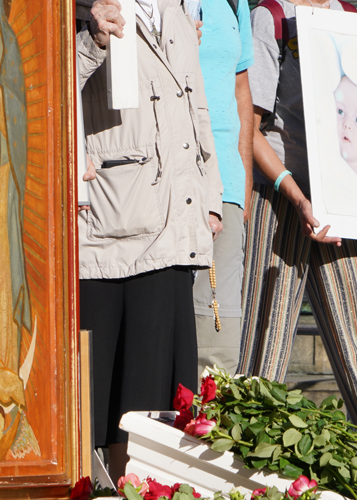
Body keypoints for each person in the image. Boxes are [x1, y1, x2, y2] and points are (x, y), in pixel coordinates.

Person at [240, 0, 357, 448]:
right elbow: (251, 127)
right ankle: (248, 464)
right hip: (279, 196)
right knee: (265, 340)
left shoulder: (352, 17)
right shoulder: (271, 16)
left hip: (346, 197)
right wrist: (296, 196)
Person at [79, 0, 222, 478]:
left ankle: (138, 488)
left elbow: (196, 104)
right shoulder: (78, 10)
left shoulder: (177, 11)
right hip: (110, 229)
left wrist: (210, 195)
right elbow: (44, 89)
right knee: (97, 402)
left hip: (175, 227)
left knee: (158, 402)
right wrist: (93, 38)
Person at [193, 0, 255, 377]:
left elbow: (241, 90)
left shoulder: (237, 3)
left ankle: (206, 433)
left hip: (226, 188)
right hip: (165, 182)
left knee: (218, 351)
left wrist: (242, 183)